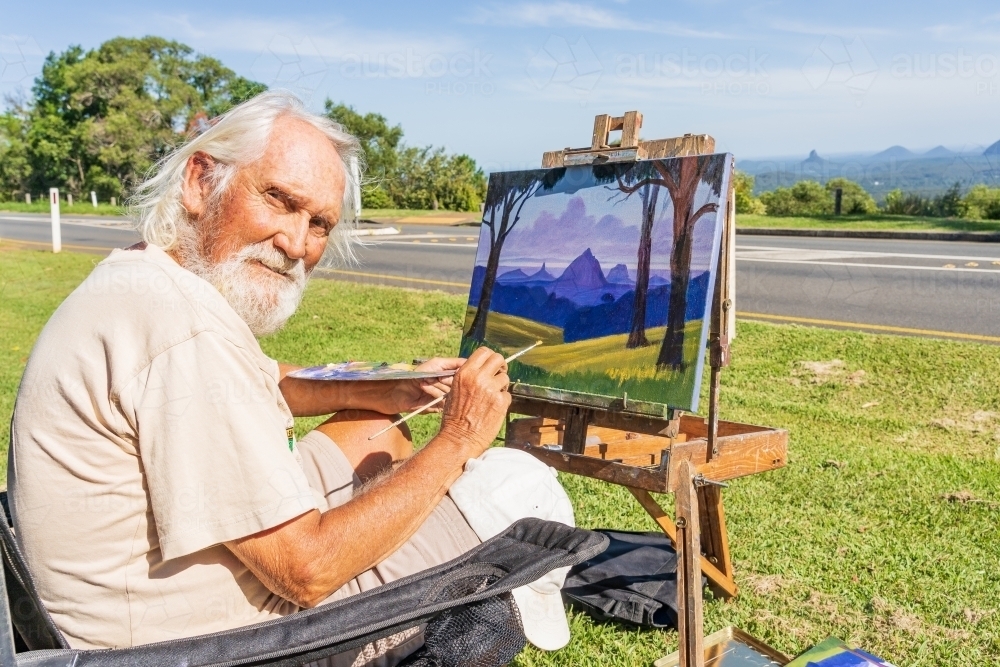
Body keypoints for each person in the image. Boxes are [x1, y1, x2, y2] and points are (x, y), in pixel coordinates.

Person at [8, 91, 574, 657]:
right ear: (201, 182)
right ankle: (500, 613)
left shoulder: (147, 280)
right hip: (217, 640)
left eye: (319, 223)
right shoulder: (184, 334)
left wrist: (389, 385)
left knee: (370, 423)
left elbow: (262, 376)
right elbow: (307, 572)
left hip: (134, 607)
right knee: (519, 483)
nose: (296, 244)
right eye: (279, 200)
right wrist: (460, 438)